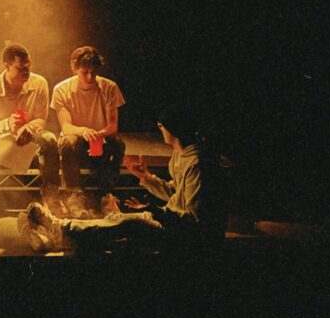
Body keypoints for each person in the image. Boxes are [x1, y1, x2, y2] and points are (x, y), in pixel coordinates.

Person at [17, 104, 227, 253]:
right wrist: (146, 177)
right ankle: (59, 236)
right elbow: (175, 192)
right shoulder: (180, 154)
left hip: (191, 238)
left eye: (161, 125)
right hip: (174, 224)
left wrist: (155, 211)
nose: (160, 129)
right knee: (117, 223)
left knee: (130, 223)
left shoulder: (197, 163)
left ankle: (59, 228)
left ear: (173, 129)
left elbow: (194, 220)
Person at [0, 43, 58, 222]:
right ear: (7, 66)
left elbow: (41, 119)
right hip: (2, 146)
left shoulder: (39, 83)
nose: (26, 71)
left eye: (28, 66)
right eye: (20, 68)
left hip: (30, 140)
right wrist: (7, 124)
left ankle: (51, 196)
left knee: (49, 139)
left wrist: (29, 128)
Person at [46, 46, 126, 218]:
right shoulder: (62, 89)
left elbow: (112, 126)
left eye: (93, 72)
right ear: (75, 69)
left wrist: (99, 135)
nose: (90, 77)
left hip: (100, 138)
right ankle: (73, 196)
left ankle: (107, 196)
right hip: (76, 139)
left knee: (118, 143)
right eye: (85, 72)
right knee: (68, 141)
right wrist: (84, 131)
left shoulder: (109, 87)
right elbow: (66, 127)